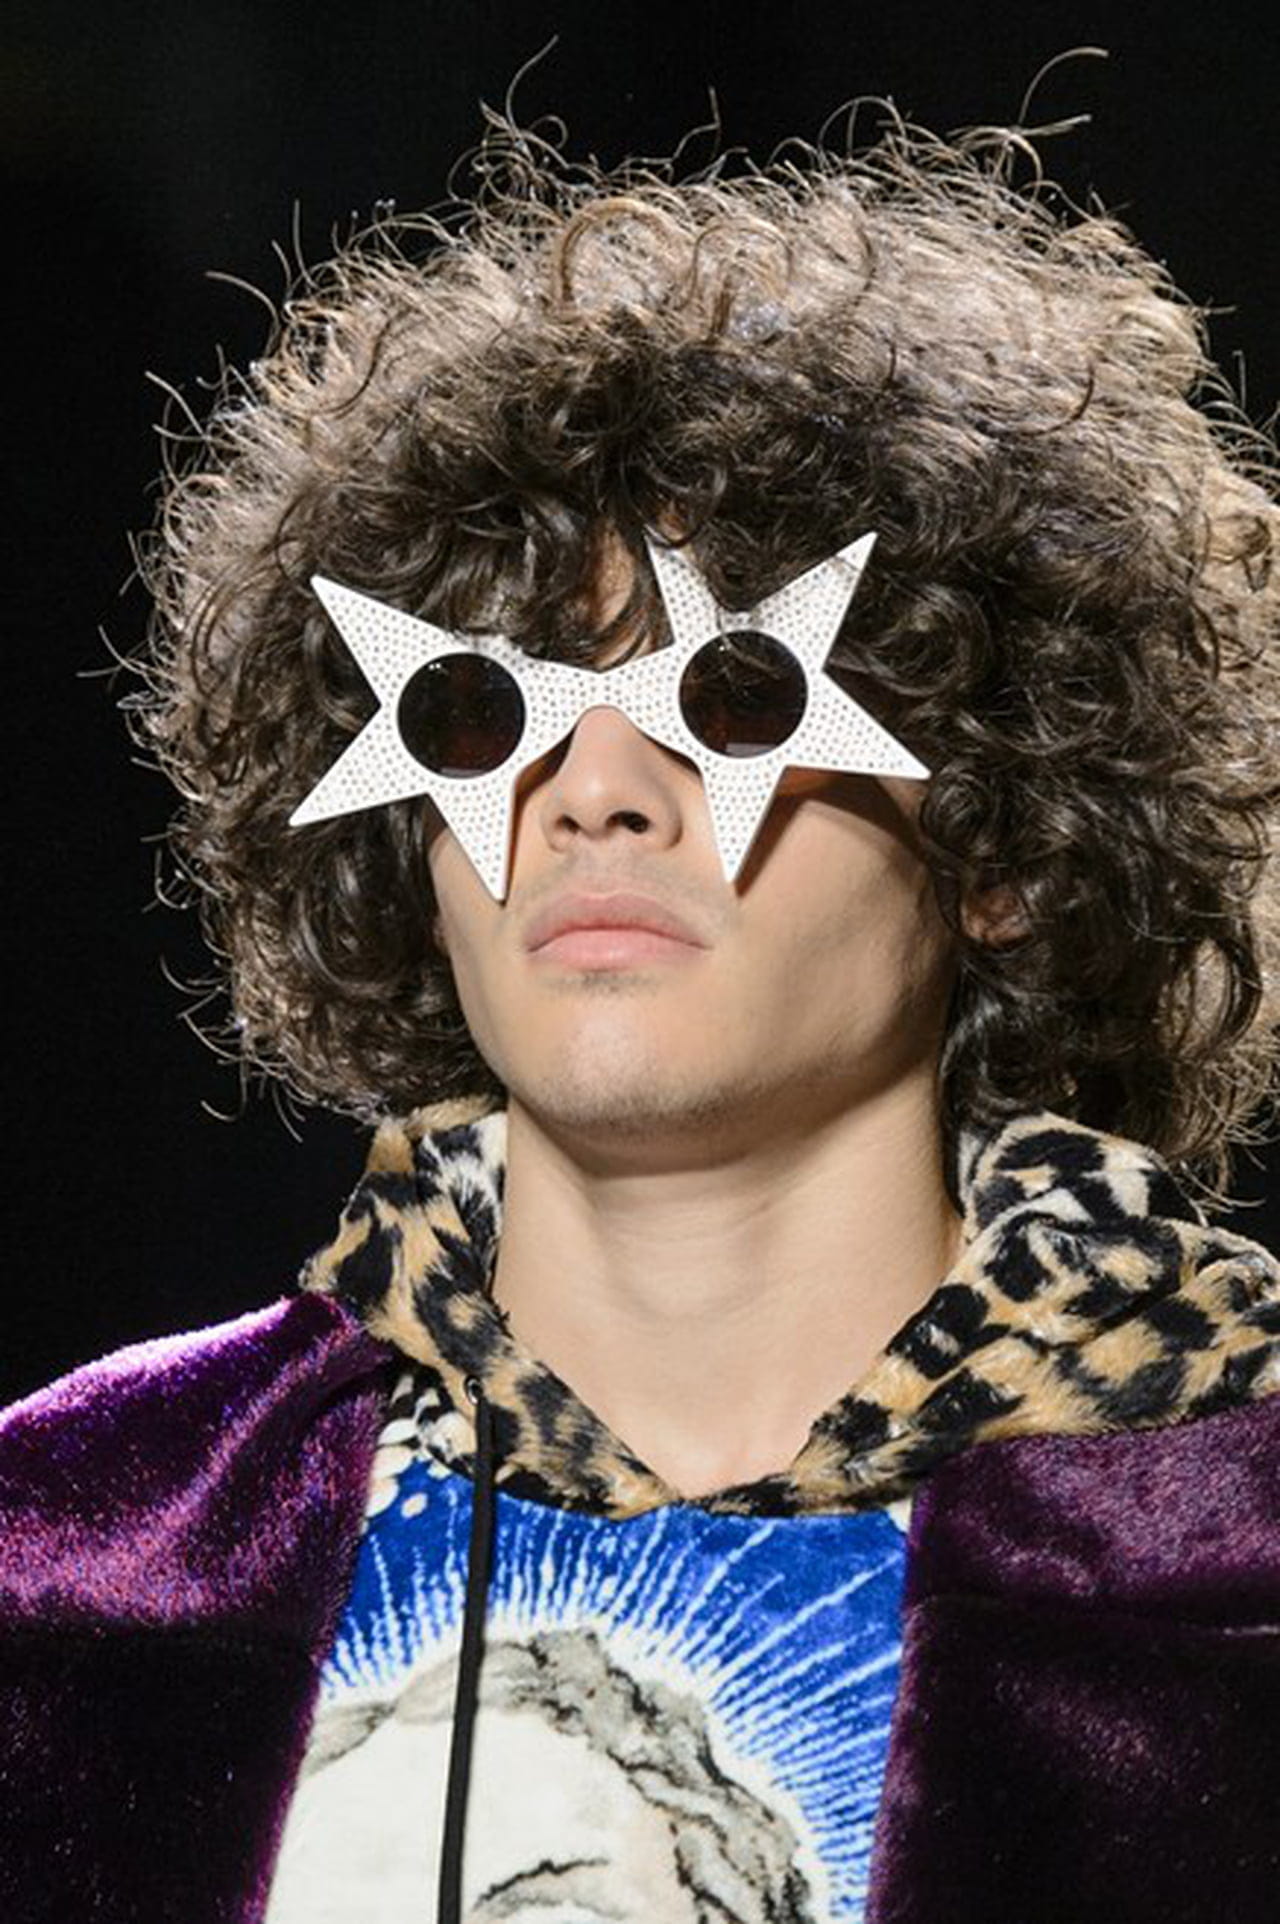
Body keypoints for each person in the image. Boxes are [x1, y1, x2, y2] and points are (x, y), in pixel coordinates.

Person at [3, 109, 1279, 1924]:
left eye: (738, 699)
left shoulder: (1237, 1554)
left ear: (1003, 846)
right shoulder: (75, 1547)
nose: (592, 794)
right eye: (478, 715)